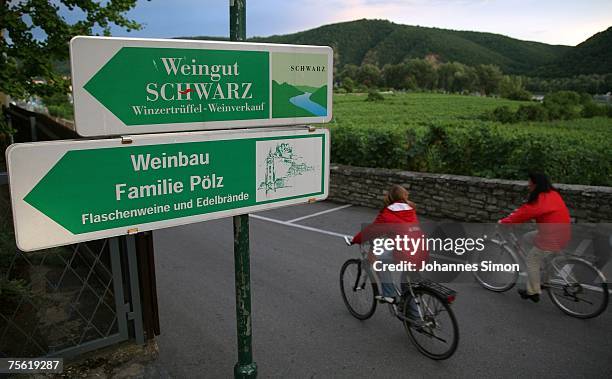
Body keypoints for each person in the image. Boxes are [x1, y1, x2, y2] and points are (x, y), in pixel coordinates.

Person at [350, 185, 428, 310]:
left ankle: (389, 294)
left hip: (406, 252)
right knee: (408, 285)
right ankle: (415, 318)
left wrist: (355, 240)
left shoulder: (388, 214)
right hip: (421, 250)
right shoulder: (410, 210)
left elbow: (371, 231)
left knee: (380, 262)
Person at [499, 172, 571, 302]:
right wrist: (517, 215)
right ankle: (543, 270)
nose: (528, 185)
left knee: (531, 261)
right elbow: (527, 210)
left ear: (536, 184)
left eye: (530, 183)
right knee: (528, 237)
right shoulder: (552, 194)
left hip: (551, 237)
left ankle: (533, 292)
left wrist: (504, 222)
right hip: (562, 233)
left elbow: (526, 212)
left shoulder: (540, 200)